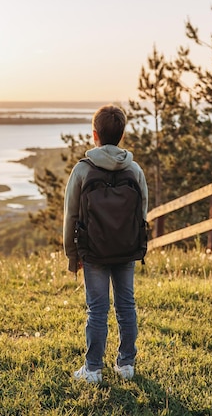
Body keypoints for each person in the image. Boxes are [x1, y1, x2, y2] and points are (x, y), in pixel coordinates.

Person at [63, 104, 148, 383]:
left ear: (94, 135)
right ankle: (126, 365)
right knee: (126, 306)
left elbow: (71, 215)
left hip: (93, 251)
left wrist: (71, 254)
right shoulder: (134, 169)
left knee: (97, 309)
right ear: (122, 135)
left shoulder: (82, 170)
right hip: (125, 248)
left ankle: (92, 369)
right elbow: (142, 213)